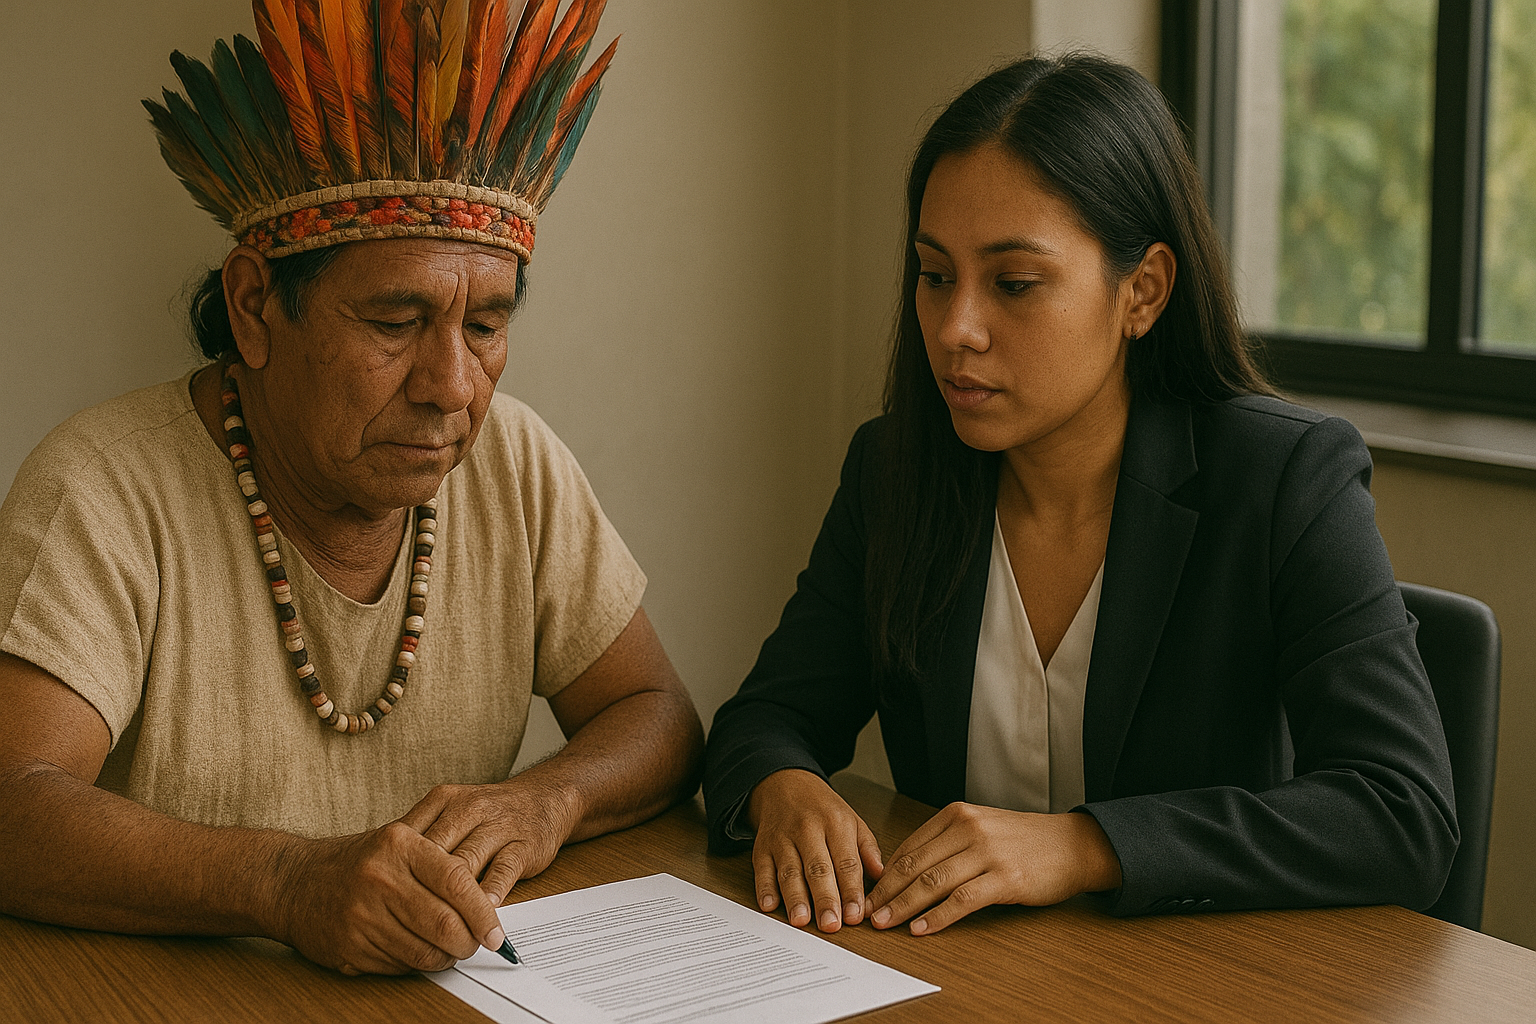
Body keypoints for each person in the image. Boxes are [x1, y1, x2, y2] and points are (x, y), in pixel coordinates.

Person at [0, 0, 703, 976]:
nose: (453, 385)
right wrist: (285, 883)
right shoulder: (103, 487)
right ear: (255, 307)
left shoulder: (515, 462)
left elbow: (658, 712)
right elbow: (13, 801)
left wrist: (547, 798)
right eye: (394, 321)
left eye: (486, 325)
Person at [703, 52, 1457, 938]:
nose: (956, 329)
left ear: (1143, 293)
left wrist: (1085, 846)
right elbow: (765, 717)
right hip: (964, 973)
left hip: (1192, 982)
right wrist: (783, 785)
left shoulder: (1286, 478)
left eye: (1013, 284)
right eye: (935, 275)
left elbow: (1401, 811)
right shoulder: (895, 471)